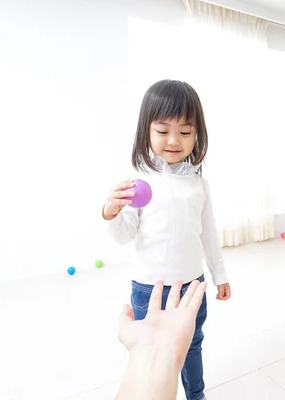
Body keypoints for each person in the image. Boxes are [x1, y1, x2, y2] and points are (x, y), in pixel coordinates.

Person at [102, 79, 231, 400]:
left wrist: (221, 277)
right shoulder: (139, 181)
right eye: (162, 131)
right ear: (145, 130)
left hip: (193, 286)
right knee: (153, 350)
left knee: (193, 344)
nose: (174, 140)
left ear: (197, 134)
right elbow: (124, 235)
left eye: (185, 132)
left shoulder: (199, 185)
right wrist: (111, 211)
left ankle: (196, 395)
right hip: (150, 289)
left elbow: (209, 235)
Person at [116, 279, 208, 400]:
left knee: (194, 345)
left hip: (192, 277)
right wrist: (155, 354)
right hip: (148, 282)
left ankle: (197, 395)